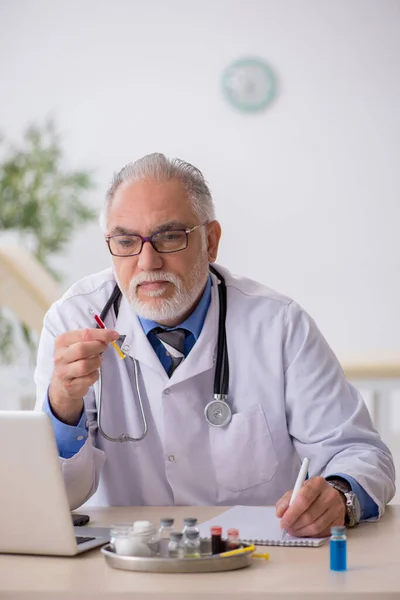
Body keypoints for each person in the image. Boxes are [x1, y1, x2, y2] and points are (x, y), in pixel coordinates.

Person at [35, 153, 395, 538]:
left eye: (169, 236)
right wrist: (63, 403)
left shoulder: (278, 325)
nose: (147, 261)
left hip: (256, 563)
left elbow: (363, 455)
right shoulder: (73, 321)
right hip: (125, 562)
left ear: (212, 241)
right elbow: (52, 497)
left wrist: (340, 495)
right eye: (126, 241)